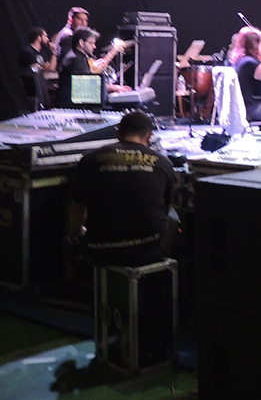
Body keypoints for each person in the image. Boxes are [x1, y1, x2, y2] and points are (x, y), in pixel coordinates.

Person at [67, 111, 176, 267]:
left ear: (118, 133)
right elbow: (166, 208)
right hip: (149, 248)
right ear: (149, 136)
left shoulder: (89, 160)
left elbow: (77, 208)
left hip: (100, 249)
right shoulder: (164, 163)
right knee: (174, 216)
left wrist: (75, 235)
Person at [56, 28, 129, 108]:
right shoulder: (76, 60)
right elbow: (88, 87)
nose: (94, 46)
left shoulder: (80, 58)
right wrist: (113, 88)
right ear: (81, 43)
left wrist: (114, 88)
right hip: (74, 106)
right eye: (91, 43)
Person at [18, 27, 56, 111]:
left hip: (42, 91)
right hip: (32, 92)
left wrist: (54, 53)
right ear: (39, 37)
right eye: (45, 36)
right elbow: (38, 71)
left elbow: (51, 69)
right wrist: (44, 69)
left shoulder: (41, 53)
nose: (48, 39)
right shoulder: (28, 52)